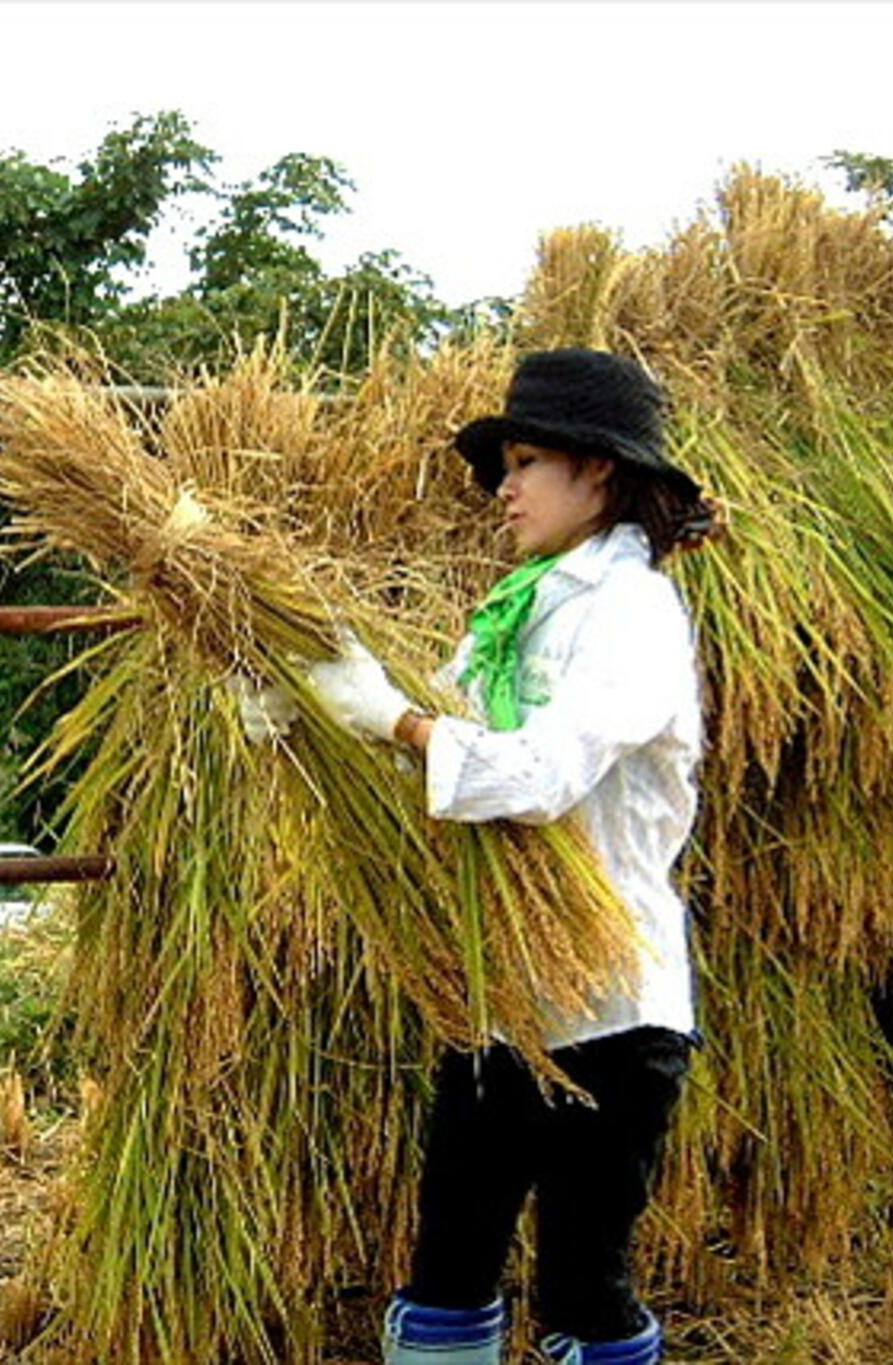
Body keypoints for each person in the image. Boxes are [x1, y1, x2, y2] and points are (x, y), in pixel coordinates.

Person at [303, 349, 716, 1365]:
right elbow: (444, 753)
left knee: (580, 1284)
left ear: (599, 473)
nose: (503, 488)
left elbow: (534, 774)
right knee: (447, 1262)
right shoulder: (519, 609)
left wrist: (392, 722)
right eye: (504, 465)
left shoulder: (631, 613)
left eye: (525, 460)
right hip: (496, 993)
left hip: (610, 1016)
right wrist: (313, 710)